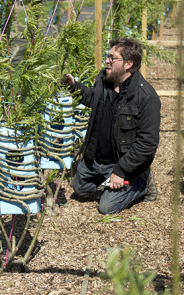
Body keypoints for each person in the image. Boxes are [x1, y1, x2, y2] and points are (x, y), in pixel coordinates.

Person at [61, 38, 161, 214]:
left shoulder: (145, 96)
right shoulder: (104, 79)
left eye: (112, 58)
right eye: (108, 56)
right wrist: (73, 86)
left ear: (129, 64)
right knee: (79, 188)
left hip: (119, 161)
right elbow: (92, 99)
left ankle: (140, 183)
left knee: (106, 207)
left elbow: (147, 143)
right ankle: (109, 181)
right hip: (97, 160)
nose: (107, 61)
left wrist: (121, 171)